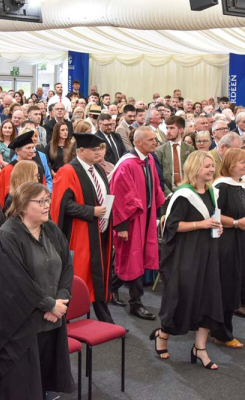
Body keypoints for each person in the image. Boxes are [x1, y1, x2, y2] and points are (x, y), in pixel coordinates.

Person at [0, 182, 74, 399]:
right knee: (21, 390)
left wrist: (61, 299)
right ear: (22, 206)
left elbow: (67, 266)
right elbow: (15, 282)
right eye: (40, 201)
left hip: (50, 322)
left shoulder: (51, 230)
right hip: (19, 330)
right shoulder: (6, 238)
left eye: (47, 200)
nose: (46, 205)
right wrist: (49, 305)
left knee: (40, 386)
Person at [154, 151, 223, 367]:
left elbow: (212, 218)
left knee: (208, 299)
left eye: (212, 166)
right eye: (206, 166)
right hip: (186, 254)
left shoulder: (212, 192)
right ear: (194, 168)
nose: (211, 169)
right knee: (182, 298)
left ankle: (199, 348)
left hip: (208, 252)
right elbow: (172, 226)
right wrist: (201, 224)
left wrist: (217, 226)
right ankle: (162, 335)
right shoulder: (183, 195)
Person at [51, 133, 115, 323]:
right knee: (79, 276)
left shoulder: (99, 170)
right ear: (80, 151)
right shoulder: (68, 171)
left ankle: (104, 319)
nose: (99, 153)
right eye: (94, 150)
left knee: (99, 275)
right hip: (80, 234)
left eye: (100, 149)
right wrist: (91, 211)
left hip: (100, 231)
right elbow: (62, 204)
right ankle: (65, 320)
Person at [109, 126, 165, 320]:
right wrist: (121, 226)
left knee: (136, 257)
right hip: (131, 220)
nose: (155, 142)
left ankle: (110, 288)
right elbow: (119, 197)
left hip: (146, 216)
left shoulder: (149, 159)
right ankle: (136, 303)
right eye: (150, 140)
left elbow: (155, 187)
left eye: (155, 139)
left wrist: (156, 212)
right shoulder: (127, 164)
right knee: (132, 258)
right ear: (138, 142)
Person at [211, 149, 245, 349]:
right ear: (230, 164)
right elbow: (213, 214)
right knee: (227, 285)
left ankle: (220, 329)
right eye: (242, 162)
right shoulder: (221, 186)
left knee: (235, 283)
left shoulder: (241, 184)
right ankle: (221, 333)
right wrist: (237, 222)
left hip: (240, 239)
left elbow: (243, 211)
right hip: (226, 241)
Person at [0, 129, 46, 208]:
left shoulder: (37, 168)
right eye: (28, 148)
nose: (32, 151)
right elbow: (0, 196)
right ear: (17, 151)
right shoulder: (9, 169)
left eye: (32, 148)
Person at [154, 115, 195, 199]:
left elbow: (193, 172)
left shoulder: (190, 149)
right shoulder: (160, 150)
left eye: (172, 128)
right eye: (167, 128)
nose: (168, 131)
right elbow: (157, 174)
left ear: (181, 130)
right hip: (166, 196)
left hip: (187, 192)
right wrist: (168, 194)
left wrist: (189, 190)